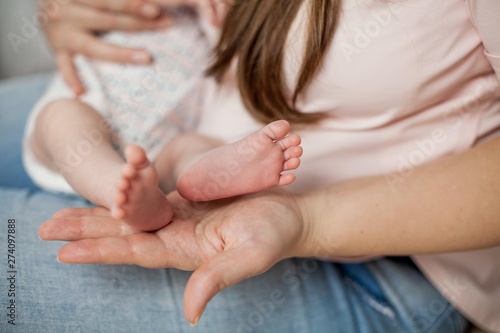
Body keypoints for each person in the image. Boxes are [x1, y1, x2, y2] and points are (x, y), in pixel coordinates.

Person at [2, 0, 500, 332]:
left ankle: (138, 188)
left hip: (384, 267)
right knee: (68, 123)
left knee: (155, 145)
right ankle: (120, 184)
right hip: (126, 93)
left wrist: (308, 220)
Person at [23, 5, 302, 231]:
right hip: (88, 103)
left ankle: (206, 176)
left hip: (162, 151)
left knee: (193, 147)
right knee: (62, 119)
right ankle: (115, 186)